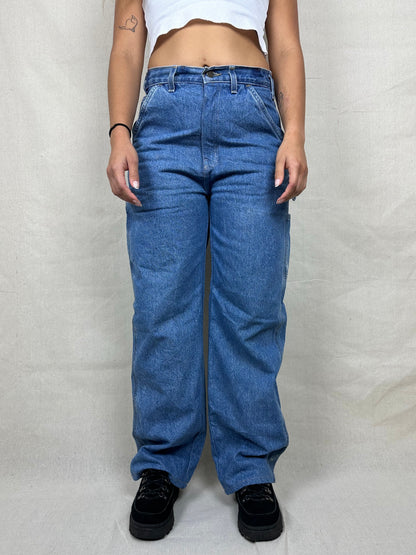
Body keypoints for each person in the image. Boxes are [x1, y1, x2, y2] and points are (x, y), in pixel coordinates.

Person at [106, 0, 307, 543]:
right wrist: (120, 132)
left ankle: (252, 467)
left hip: (253, 118)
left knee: (253, 303)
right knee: (162, 306)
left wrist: (294, 135)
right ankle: (161, 464)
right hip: (163, 116)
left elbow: (285, 41)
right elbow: (127, 40)